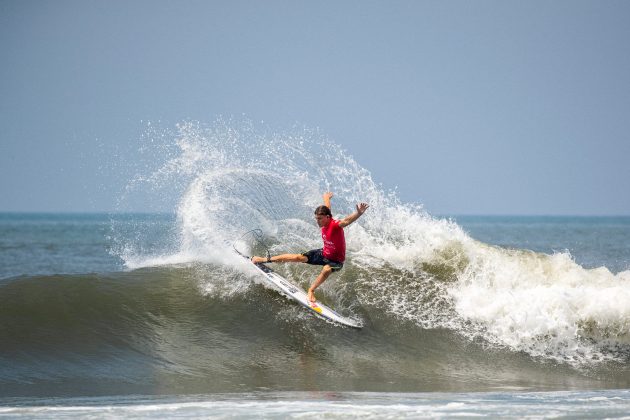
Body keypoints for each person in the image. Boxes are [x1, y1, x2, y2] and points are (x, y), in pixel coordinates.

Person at [251, 192, 369, 304]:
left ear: (328, 217)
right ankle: (263, 260)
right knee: (298, 257)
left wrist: (358, 213)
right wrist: (326, 198)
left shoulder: (335, 225)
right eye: (316, 218)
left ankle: (311, 290)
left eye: (320, 219)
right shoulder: (325, 219)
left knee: (327, 269)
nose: (317, 221)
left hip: (336, 261)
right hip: (323, 253)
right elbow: (327, 207)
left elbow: (346, 221)